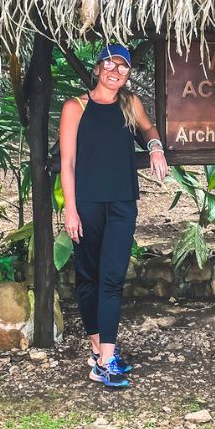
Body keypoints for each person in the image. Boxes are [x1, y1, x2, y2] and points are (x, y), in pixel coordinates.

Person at [58, 43, 168, 389]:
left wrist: (154, 147)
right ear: (97, 68)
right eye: (109, 64)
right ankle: (97, 350)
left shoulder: (129, 104)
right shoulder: (75, 108)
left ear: (128, 74)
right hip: (87, 204)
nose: (115, 71)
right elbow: (68, 163)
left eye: (122, 67)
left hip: (122, 202)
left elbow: (149, 129)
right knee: (88, 277)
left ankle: (106, 358)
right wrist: (71, 209)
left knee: (112, 277)